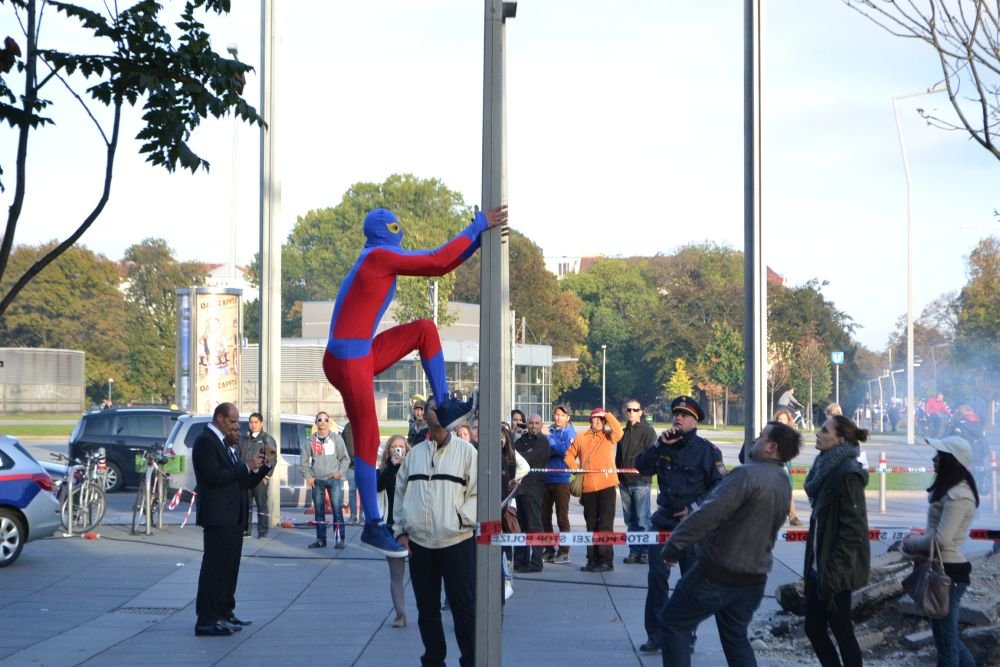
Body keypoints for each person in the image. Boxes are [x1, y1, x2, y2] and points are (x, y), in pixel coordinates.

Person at [322, 205, 507, 557]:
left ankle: (444, 403)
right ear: (389, 231)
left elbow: (443, 264)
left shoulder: (376, 255)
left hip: (358, 352)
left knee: (425, 329)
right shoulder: (378, 257)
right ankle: (373, 524)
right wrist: (479, 226)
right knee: (368, 436)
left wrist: (478, 237)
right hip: (348, 358)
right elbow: (438, 261)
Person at [658, 420, 802, 667]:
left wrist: (674, 546)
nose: (755, 440)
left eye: (761, 437)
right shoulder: (782, 481)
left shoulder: (746, 475)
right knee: (736, 637)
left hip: (718, 574)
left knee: (673, 624)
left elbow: (707, 514)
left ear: (772, 447)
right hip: (754, 578)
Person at [635, 395, 726, 654]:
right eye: (676, 414)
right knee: (657, 579)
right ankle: (656, 635)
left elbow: (720, 487)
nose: (678, 418)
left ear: (694, 421)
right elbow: (642, 467)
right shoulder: (665, 444)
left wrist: (695, 507)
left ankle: (687, 633)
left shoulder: (707, 451)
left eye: (684, 415)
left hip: (693, 526)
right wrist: (658, 445)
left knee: (690, 583)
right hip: (663, 522)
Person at [393, 398, 478, 667]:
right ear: (425, 416)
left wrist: (460, 520)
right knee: (427, 610)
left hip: (456, 542)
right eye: (432, 408)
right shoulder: (415, 455)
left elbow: (478, 494)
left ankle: (471, 660)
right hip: (420, 546)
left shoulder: (467, 452)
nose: (437, 412)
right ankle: (433, 660)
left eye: (441, 408)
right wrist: (401, 532)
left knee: (463, 609)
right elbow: (400, 494)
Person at [901, 435, 980, 667]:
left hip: (948, 573)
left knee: (946, 644)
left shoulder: (959, 496)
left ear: (951, 461)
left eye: (940, 455)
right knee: (947, 638)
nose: (934, 459)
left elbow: (942, 539)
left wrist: (912, 542)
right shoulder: (953, 491)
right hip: (945, 569)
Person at [192, 402, 270, 637]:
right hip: (218, 516)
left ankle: (224, 612)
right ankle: (207, 619)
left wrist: (261, 467)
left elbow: (241, 480)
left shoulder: (226, 445)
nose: (237, 427)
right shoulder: (206, 441)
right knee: (215, 569)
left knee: (228, 569)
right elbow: (214, 477)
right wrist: (246, 466)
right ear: (220, 418)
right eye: (233, 421)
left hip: (232, 517)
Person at [803, 415, 870, 667]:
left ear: (840, 439)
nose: (818, 434)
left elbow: (853, 529)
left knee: (841, 628)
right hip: (818, 563)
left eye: (824, 430)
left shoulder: (847, 473)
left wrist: (835, 570)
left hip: (835, 568)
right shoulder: (825, 465)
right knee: (813, 627)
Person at [564, 407, 623, 573]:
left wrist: (607, 415)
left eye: (600, 419)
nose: (597, 421)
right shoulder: (582, 436)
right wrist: (576, 469)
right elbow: (568, 455)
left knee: (605, 524)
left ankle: (606, 561)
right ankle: (592, 559)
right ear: (590, 420)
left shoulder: (608, 436)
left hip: (607, 486)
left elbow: (619, 431)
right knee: (591, 525)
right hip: (588, 487)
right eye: (594, 418)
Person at [300, 411, 350, 550]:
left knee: (337, 510)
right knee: (319, 511)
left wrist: (340, 473)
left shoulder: (336, 439)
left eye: (325, 419)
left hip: (333, 479)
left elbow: (345, 459)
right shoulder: (310, 441)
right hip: (317, 481)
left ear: (329, 422)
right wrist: (309, 477)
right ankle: (321, 539)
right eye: (320, 419)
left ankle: (339, 539)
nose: (323, 422)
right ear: (316, 423)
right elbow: (304, 463)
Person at [377, 434, 411, 629]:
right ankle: (400, 614)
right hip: (391, 527)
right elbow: (378, 486)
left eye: (401, 446)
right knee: (396, 575)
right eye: (394, 447)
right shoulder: (384, 470)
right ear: (388, 451)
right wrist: (392, 466)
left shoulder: (414, 468)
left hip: (413, 527)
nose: (398, 450)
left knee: (422, 574)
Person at [617, 399, 656, 565]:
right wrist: (618, 475)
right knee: (630, 520)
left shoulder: (648, 432)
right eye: (629, 410)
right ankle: (634, 551)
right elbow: (618, 457)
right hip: (624, 482)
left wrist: (644, 473)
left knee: (642, 519)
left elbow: (652, 456)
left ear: (641, 412)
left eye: (635, 410)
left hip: (640, 482)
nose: (631, 412)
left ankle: (645, 552)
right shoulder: (623, 432)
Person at [513, 414, 551, 573]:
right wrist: (518, 455)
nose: (534, 426)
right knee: (521, 526)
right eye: (531, 423)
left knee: (534, 525)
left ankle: (536, 562)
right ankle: (520, 561)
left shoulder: (543, 442)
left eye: (536, 423)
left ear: (541, 425)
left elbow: (526, 459)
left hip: (534, 489)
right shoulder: (521, 441)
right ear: (527, 424)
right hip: (519, 489)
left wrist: (518, 456)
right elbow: (511, 455)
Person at [541, 404, 576, 564]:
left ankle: (564, 551)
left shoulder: (570, 432)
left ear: (568, 417)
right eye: (556, 414)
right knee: (544, 517)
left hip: (561, 480)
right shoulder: (550, 430)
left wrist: (549, 439)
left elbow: (564, 451)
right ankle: (549, 549)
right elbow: (543, 450)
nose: (558, 417)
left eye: (562, 415)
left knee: (562, 517)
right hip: (545, 479)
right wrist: (552, 442)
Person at [238, 411, 277, 538]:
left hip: (260, 478)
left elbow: (272, 459)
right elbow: (238, 455)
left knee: (261, 505)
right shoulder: (244, 438)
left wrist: (266, 476)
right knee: (246, 505)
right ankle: (246, 530)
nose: (253, 425)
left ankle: (262, 531)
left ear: (261, 424)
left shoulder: (266, 439)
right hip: (246, 477)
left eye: (256, 422)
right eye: (251, 422)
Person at [772, 407, 803, 527]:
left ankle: (793, 517)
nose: (781, 421)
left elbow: (794, 450)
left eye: (784, 419)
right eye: (779, 419)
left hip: (785, 464)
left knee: (788, 489)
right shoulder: (772, 432)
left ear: (788, 420)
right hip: (773, 464)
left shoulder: (790, 434)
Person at [342, 422, 362, 524]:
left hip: (362, 465)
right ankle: (353, 516)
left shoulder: (363, 425)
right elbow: (343, 446)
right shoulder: (347, 428)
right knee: (352, 491)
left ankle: (362, 516)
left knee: (362, 492)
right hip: (351, 465)